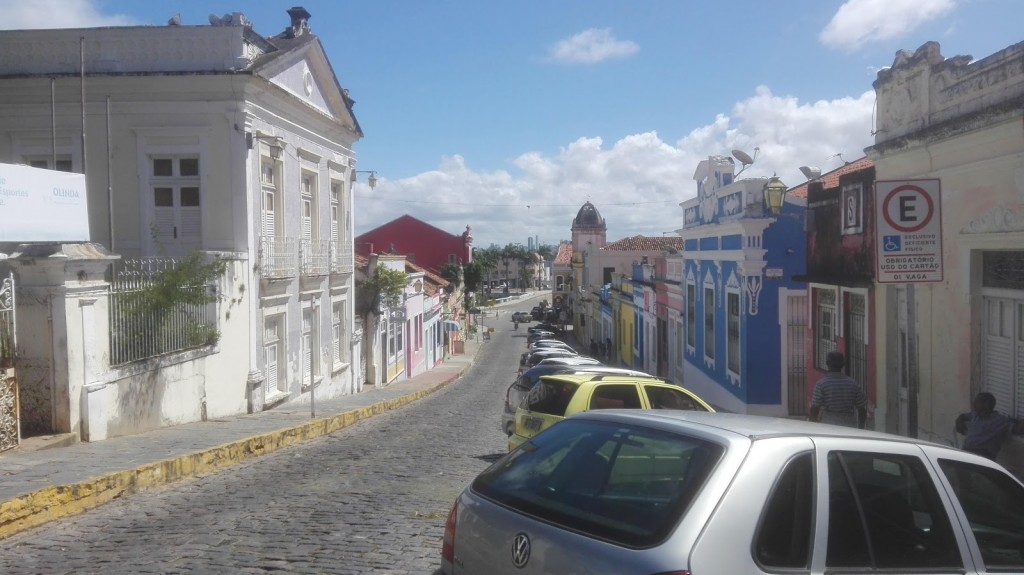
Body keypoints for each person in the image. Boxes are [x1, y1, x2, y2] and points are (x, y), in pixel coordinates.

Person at [955, 392, 1024, 460]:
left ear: (986, 404)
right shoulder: (975, 415)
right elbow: (962, 416)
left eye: (977, 402)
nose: (973, 404)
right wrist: (959, 422)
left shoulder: (1000, 420)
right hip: (966, 452)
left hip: (983, 456)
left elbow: (1018, 429)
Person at [809, 351, 867, 428]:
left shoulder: (821, 384)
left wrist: (811, 425)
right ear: (843, 365)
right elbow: (861, 408)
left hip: (829, 423)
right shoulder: (853, 384)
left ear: (827, 364)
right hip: (849, 424)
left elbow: (815, 407)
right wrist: (861, 426)